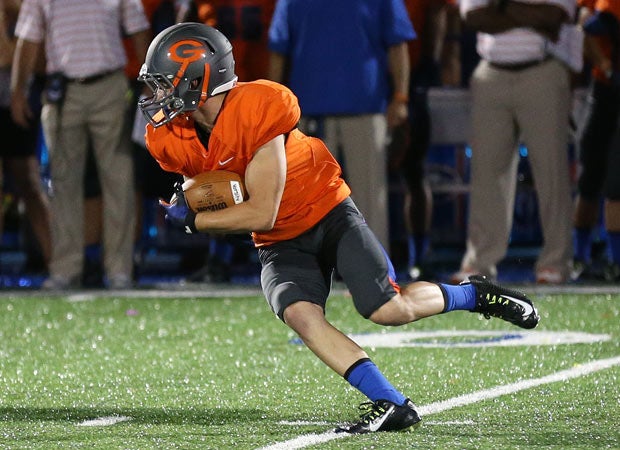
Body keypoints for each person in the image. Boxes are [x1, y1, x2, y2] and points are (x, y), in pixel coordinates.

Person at [138, 22, 540, 433]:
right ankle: (391, 402)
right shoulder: (169, 135)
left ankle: (474, 294)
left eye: (164, 83)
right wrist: (193, 195)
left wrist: (195, 220)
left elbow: (262, 211)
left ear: (199, 78)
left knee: (388, 309)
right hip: (279, 241)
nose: (157, 96)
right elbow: (212, 181)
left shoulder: (257, 105)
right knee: (298, 313)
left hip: (324, 211)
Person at [11, 0, 151, 289]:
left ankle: (119, 270)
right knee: (63, 184)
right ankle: (65, 269)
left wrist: (152, 81)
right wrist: (18, 90)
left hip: (110, 85)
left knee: (119, 179)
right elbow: (28, 37)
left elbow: (139, 30)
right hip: (62, 91)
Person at [267, 0, 415, 251]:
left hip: (364, 107)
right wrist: (274, 107)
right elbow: (278, 51)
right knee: (308, 200)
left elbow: (397, 45)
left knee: (369, 201)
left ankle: (373, 266)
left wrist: (401, 97)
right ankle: (312, 269)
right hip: (309, 111)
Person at [451, 0, 578, 284]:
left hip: (542, 71)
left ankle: (556, 262)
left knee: (551, 172)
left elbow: (555, 15)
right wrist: (530, 16)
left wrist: (502, 7)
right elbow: (474, 17)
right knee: (486, 174)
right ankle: (479, 262)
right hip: (490, 73)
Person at [392, 0, 460, 280]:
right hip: (368, 74)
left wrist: (445, 59)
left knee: (414, 169)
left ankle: (417, 255)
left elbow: (442, 11)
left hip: (415, 72)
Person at [0, 0, 51, 273]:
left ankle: (55, 264)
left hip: (17, 103)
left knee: (30, 182)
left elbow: (12, 57)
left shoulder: (25, 8)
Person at [571, 1, 620, 282]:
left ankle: (615, 259)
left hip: (609, 84)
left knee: (615, 182)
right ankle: (582, 256)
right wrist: (606, 67)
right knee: (591, 177)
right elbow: (589, 25)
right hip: (605, 87)